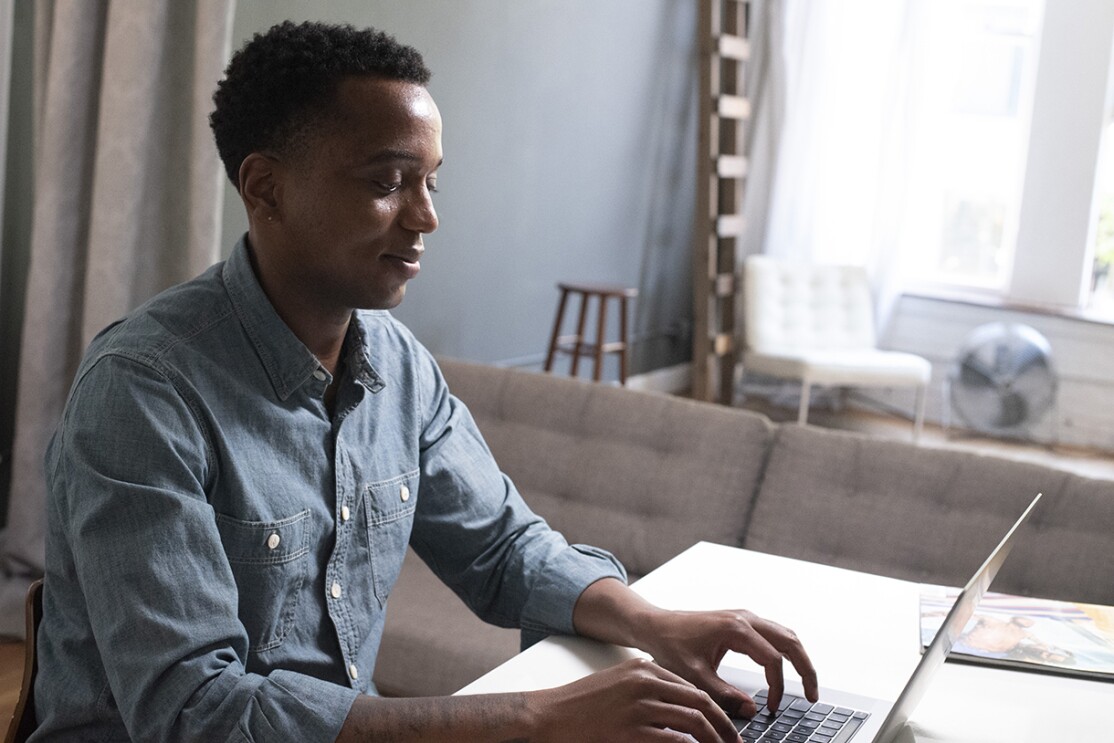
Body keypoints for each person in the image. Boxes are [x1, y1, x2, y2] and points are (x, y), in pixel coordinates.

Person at [32, 20, 817, 742]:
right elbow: (195, 712)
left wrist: (654, 622)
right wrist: (536, 717)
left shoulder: (399, 366)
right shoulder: (140, 393)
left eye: (431, 181)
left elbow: (506, 551)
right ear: (265, 188)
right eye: (388, 182)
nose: (426, 217)